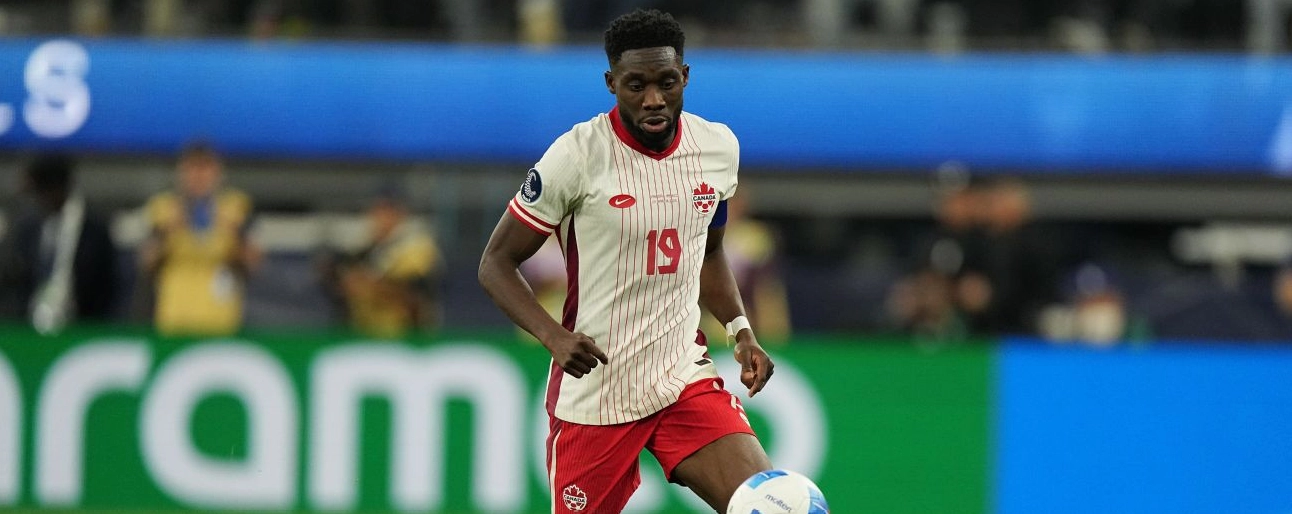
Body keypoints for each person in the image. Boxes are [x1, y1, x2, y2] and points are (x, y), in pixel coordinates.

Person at [477, 9, 776, 513]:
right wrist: (553, 336)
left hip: (681, 377)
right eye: (636, 84)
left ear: (685, 76)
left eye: (666, 82)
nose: (654, 99)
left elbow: (711, 248)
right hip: (596, 391)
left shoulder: (718, 148)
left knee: (769, 504)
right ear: (611, 82)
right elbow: (495, 263)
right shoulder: (576, 156)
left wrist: (741, 329)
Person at [137, 142, 260, 336]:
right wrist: (168, 231)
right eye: (192, 169)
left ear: (218, 173)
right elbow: (146, 263)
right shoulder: (163, 208)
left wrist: (233, 232)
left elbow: (253, 263)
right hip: (173, 319)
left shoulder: (235, 207)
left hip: (221, 320)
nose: (198, 177)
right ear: (181, 173)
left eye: (205, 168)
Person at [0, 154, 117, 333]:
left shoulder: (93, 230)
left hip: (81, 327)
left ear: (58, 188)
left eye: (42, 192)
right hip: (29, 327)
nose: (39, 200)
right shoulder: (28, 227)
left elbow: (106, 287)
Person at [319, 186, 443, 338]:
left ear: (400, 214)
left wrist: (368, 283)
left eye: (388, 210)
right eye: (378, 210)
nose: (382, 217)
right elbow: (337, 283)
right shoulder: (364, 248)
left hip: (405, 337)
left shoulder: (417, 247)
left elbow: (416, 290)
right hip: (365, 335)